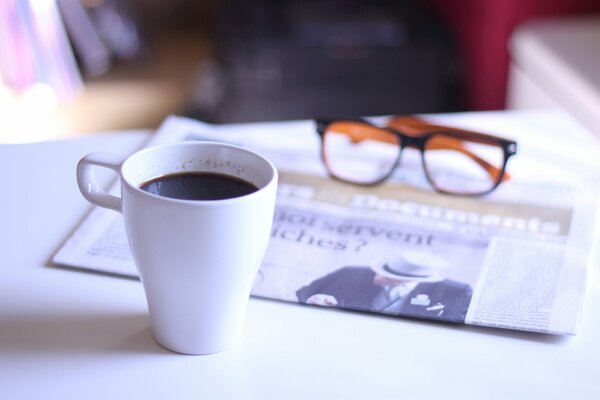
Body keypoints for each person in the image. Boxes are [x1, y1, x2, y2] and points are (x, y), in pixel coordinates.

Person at [296, 251, 473, 323]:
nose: (379, 277)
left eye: (393, 277)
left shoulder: (456, 292)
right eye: (381, 271)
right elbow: (304, 294)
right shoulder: (350, 274)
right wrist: (318, 299)